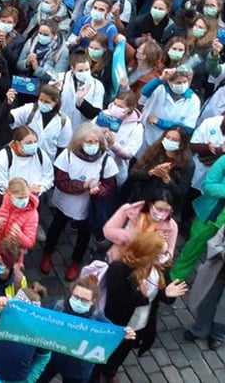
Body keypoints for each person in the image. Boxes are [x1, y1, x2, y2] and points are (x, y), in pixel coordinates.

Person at [95, 231, 188, 381]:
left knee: (124, 350)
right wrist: (147, 296)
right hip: (118, 321)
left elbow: (164, 293)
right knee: (104, 350)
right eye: (161, 254)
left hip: (141, 322)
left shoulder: (160, 268)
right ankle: (96, 373)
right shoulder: (120, 268)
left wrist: (167, 294)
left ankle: (110, 370)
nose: (165, 257)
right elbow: (118, 299)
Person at [40, 123, 118, 281]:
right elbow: (61, 181)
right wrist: (82, 186)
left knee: (84, 235)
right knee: (56, 227)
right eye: (88, 142)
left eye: (96, 142)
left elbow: (109, 186)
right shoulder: (69, 155)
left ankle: (76, 261)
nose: (93, 145)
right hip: (65, 203)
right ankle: (48, 253)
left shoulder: (105, 161)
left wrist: (98, 191)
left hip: (87, 207)